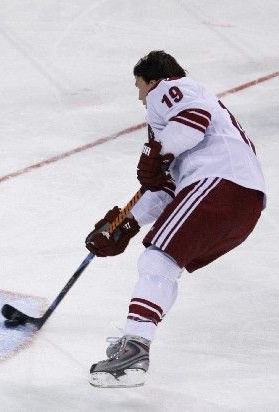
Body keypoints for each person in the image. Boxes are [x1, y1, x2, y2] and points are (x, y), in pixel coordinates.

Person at [84, 51, 265, 388]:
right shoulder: (179, 123)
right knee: (163, 263)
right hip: (241, 201)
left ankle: (136, 346)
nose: (140, 97)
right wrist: (124, 225)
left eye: (139, 86)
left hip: (220, 183)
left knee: (157, 260)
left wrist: (158, 151)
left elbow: (193, 118)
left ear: (154, 79)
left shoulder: (170, 89)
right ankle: (136, 341)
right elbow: (167, 188)